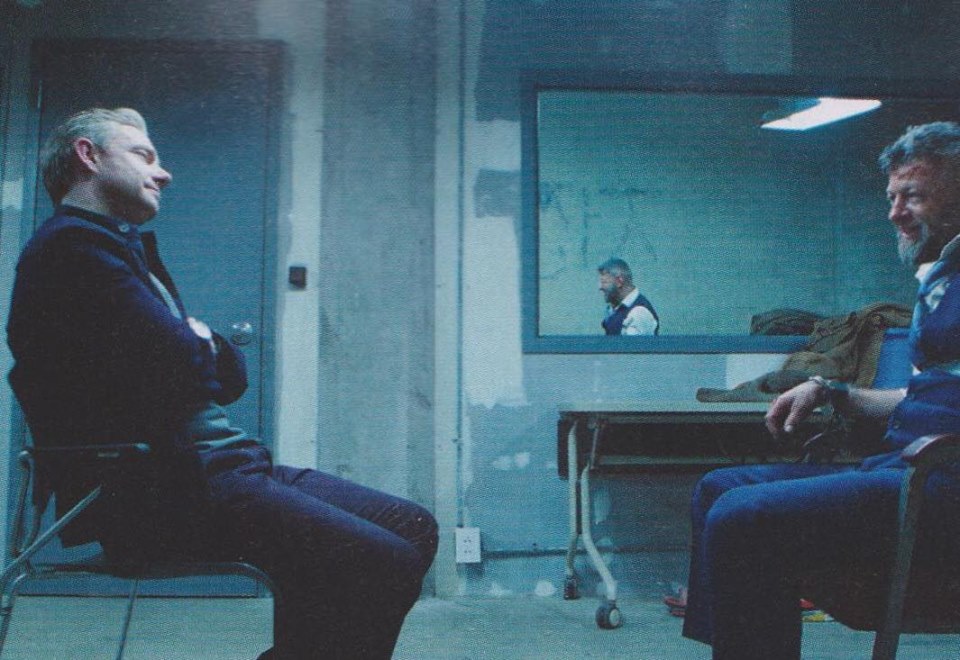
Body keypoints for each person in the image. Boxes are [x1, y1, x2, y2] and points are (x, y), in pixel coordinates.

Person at [6, 108, 438, 660]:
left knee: (411, 525)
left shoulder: (115, 249)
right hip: (166, 490)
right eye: (143, 155)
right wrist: (194, 341)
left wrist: (195, 343)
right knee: (384, 559)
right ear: (88, 156)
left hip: (222, 469)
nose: (163, 173)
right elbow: (181, 360)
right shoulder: (71, 249)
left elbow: (228, 376)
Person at [680, 121, 960, 659]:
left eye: (913, 196)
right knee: (718, 487)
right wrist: (830, 389)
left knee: (743, 515)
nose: (895, 213)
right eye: (892, 197)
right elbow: (924, 396)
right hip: (908, 470)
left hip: (943, 487)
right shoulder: (941, 277)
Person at [597, 257, 659, 335]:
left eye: (604, 282)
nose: (600, 287)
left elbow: (630, 343)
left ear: (619, 281)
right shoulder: (614, 310)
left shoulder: (639, 313)